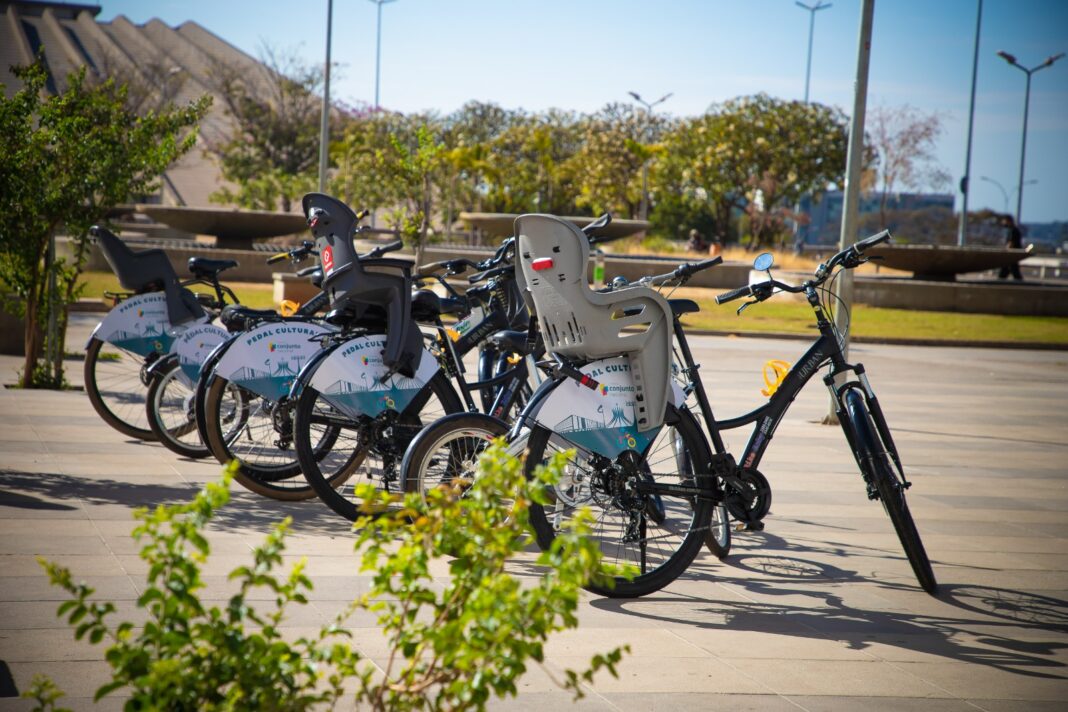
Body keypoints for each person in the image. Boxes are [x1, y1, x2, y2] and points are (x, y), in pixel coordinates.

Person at [998, 214, 1024, 281]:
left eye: (1004, 221)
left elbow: (1011, 243)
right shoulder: (1013, 229)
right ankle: (1001, 280)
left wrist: (1006, 251)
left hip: (1012, 254)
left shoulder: (1013, 230)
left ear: (1008, 221)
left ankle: (1001, 281)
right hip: (1013, 254)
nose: (1003, 222)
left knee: (1013, 269)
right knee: (1008, 269)